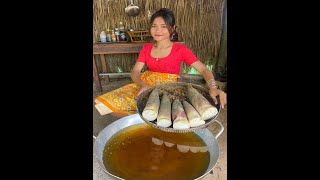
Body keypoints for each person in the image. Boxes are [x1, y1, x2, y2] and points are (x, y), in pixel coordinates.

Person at [95, 8, 227, 116]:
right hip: (145, 84)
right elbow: (135, 72)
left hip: (167, 89)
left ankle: (143, 119)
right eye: (154, 26)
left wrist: (213, 87)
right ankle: (140, 119)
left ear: (172, 28)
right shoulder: (146, 49)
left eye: (163, 26)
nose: (158, 30)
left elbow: (204, 70)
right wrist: (143, 85)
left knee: (153, 110)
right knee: (105, 104)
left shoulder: (180, 50)